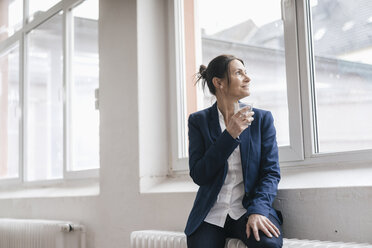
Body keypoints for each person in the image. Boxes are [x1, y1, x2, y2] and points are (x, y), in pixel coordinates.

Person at [184, 54, 283, 248]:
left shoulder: (262, 120)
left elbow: (271, 173)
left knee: (268, 245)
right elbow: (199, 175)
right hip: (211, 214)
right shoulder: (198, 121)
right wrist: (229, 136)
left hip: (248, 209)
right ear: (219, 82)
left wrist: (258, 211)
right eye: (239, 73)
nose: (248, 78)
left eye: (246, 73)